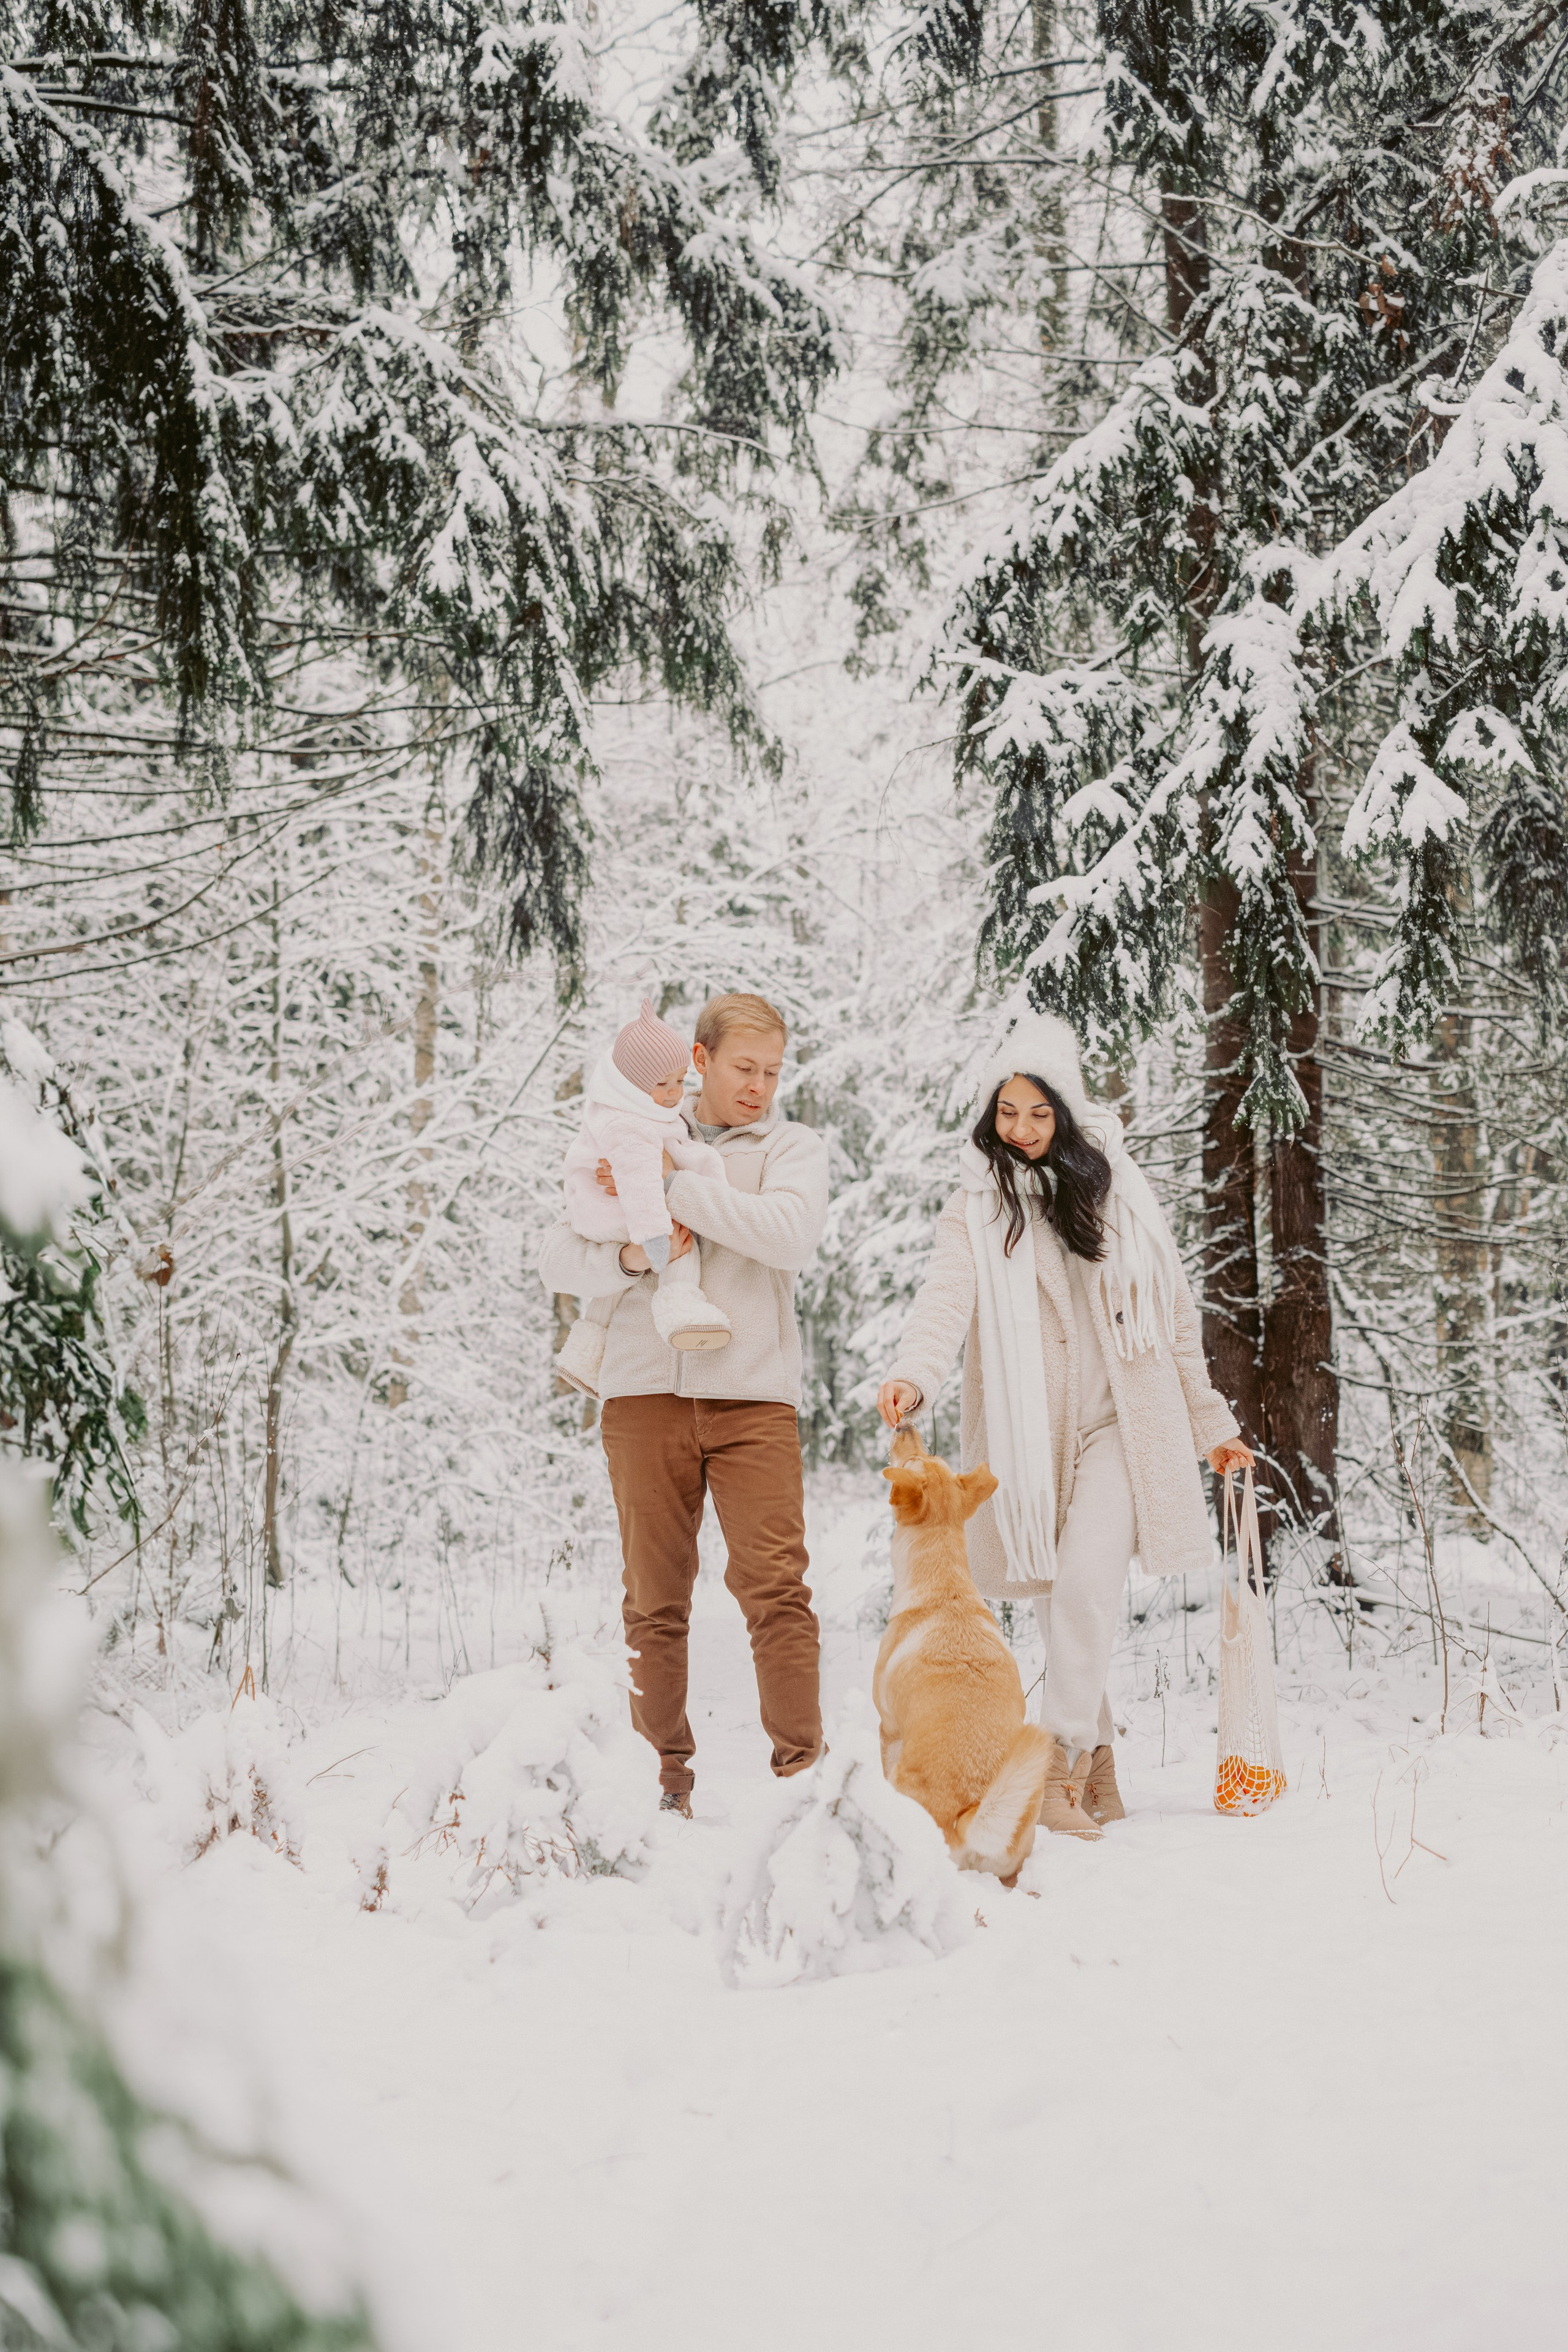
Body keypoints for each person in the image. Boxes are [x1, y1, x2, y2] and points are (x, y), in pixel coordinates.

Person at [876, 1008, 1253, 1841]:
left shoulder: (1118, 1194)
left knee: (1084, 1585)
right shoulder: (976, 1207)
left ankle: (1057, 1770)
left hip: (1124, 1424)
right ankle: (1105, 1774)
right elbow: (946, 1302)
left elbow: (1173, 1316)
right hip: (1032, 1436)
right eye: (1007, 1113)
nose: (1022, 1130)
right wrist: (914, 1375)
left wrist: (1210, 1424)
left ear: (1067, 1112)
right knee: (1057, 1603)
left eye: (1040, 1114)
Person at [537, 991, 829, 1819]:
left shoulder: (790, 1148)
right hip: (643, 1395)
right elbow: (559, 1253)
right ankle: (660, 1782)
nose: (760, 1086)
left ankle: (804, 1779)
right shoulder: (624, 1126)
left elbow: (787, 1235)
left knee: (777, 1587)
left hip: (753, 1400)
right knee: (654, 1597)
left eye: (773, 1071)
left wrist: (671, 1188)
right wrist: (633, 1252)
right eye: (744, 1068)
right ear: (698, 1060)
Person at [554, 999, 732, 1396]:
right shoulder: (630, 1125)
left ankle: (586, 1353)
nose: (673, 1094)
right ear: (633, 1083)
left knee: (619, 1277)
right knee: (681, 1238)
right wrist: (656, 1238)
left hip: (598, 1207)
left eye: (680, 1081)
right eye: (661, 1084)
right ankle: (681, 1303)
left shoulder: (621, 1109)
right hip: (620, 1208)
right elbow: (640, 1181)